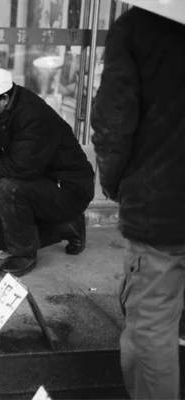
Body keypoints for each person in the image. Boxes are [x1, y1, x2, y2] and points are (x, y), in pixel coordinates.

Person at [91, 7, 185, 400]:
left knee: (151, 327)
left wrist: (115, 184)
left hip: (164, 206)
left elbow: (113, 121)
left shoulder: (140, 27)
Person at [0, 68, 95, 277]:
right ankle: (68, 226)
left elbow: (21, 167)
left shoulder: (33, 116)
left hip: (69, 190)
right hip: (41, 183)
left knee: (8, 186)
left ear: (3, 99)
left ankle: (25, 255)